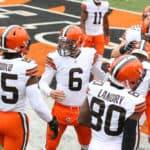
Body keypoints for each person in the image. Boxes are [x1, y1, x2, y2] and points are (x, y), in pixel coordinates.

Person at [39, 24, 106, 150]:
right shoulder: (54, 57)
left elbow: (100, 75)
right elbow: (42, 82)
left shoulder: (90, 54)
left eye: (68, 43)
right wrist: (49, 91)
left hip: (83, 110)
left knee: (87, 145)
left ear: (79, 42)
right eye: (62, 42)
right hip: (60, 109)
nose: (63, 46)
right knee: (50, 146)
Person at [0, 25, 59, 150]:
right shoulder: (26, 67)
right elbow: (37, 104)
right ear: (19, 46)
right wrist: (51, 120)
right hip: (15, 120)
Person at [78, 54, 146, 150]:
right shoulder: (134, 100)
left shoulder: (94, 87)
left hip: (94, 145)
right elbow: (130, 140)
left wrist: (102, 128)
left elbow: (82, 120)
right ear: (130, 78)